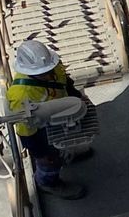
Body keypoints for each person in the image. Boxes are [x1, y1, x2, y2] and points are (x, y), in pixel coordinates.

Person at [7, 39, 87, 200]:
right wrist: (40, 154)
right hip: (40, 128)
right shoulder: (21, 95)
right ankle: (47, 182)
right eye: (42, 74)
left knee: (66, 139)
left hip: (61, 114)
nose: (48, 75)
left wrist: (77, 98)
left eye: (48, 70)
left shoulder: (54, 66)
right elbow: (26, 131)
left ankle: (67, 152)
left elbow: (66, 83)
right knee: (49, 161)